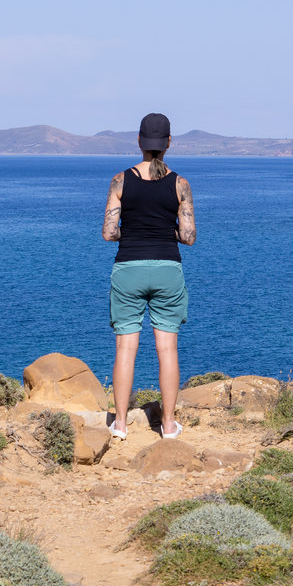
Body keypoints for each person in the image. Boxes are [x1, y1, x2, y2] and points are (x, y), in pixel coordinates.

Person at [102, 112, 196, 440]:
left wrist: (133, 231)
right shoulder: (180, 184)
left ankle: (121, 425)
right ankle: (168, 426)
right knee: (167, 349)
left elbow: (109, 233)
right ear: (169, 143)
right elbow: (188, 237)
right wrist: (164, 230)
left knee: (125, 348)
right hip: (168, 269)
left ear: (139, 142)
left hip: (128, 267)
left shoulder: (120, 180)